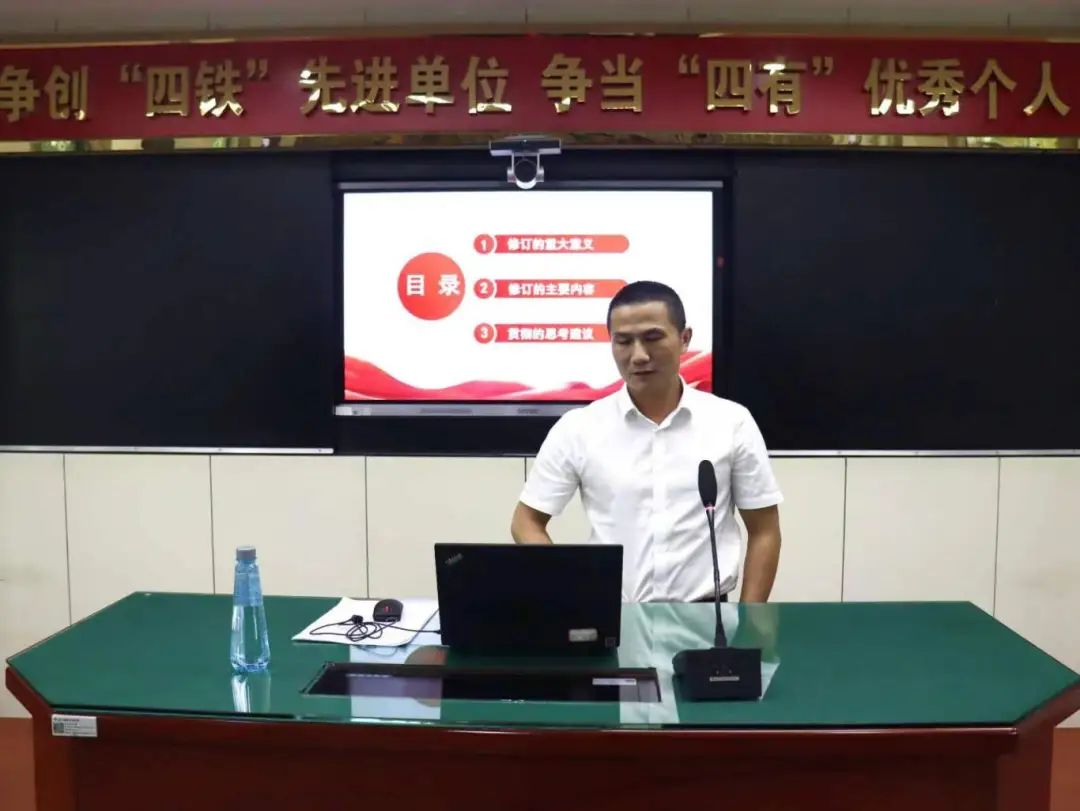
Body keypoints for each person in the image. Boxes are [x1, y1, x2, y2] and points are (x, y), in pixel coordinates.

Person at [510, 280, 783, 603]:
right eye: (623, 341)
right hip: (614, 615)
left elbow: (764, 530)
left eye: (652, 338)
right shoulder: (579, 428)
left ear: (684, 339)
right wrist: (572, 588)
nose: (638, 356)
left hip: (707, 617)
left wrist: (752, 621)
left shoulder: (731, 422)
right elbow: (525, 522)